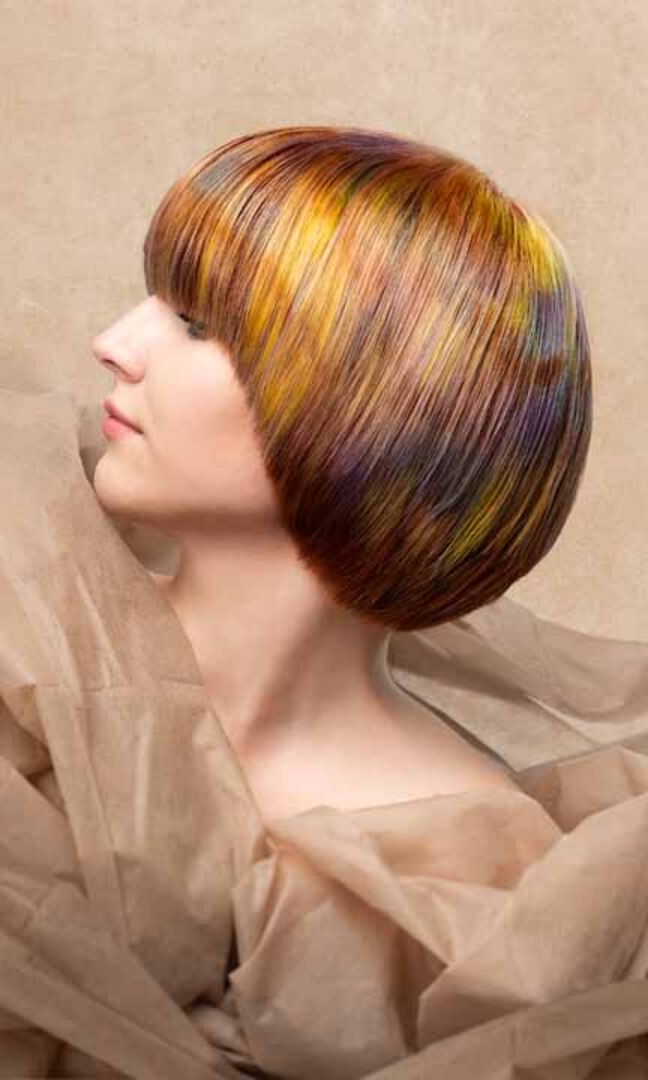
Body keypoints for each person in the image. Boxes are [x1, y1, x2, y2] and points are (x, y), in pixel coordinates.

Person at [90, 124, 588, 819]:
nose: (111, 344)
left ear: (382, 418)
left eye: (198, 325)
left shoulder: (446, 848)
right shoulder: (2, 663)